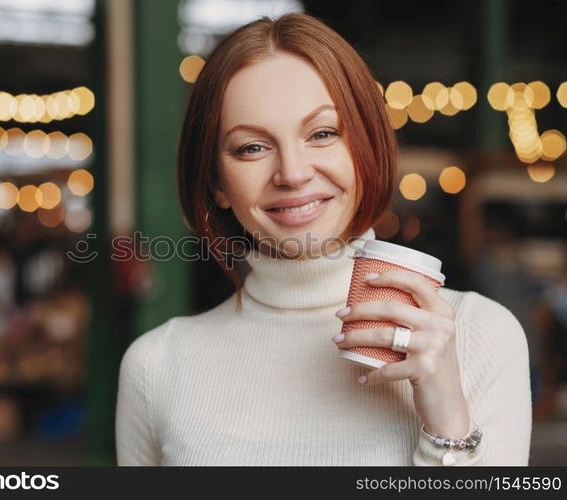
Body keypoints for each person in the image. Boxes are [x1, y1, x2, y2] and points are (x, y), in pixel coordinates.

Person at [115, 13, 532, 466]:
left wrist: (448, 428)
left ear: (364, 148)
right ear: (217, 183)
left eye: (322, 133)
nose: (292, 173)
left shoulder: (477, 334)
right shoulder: (156, 366)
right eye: (252, 147)